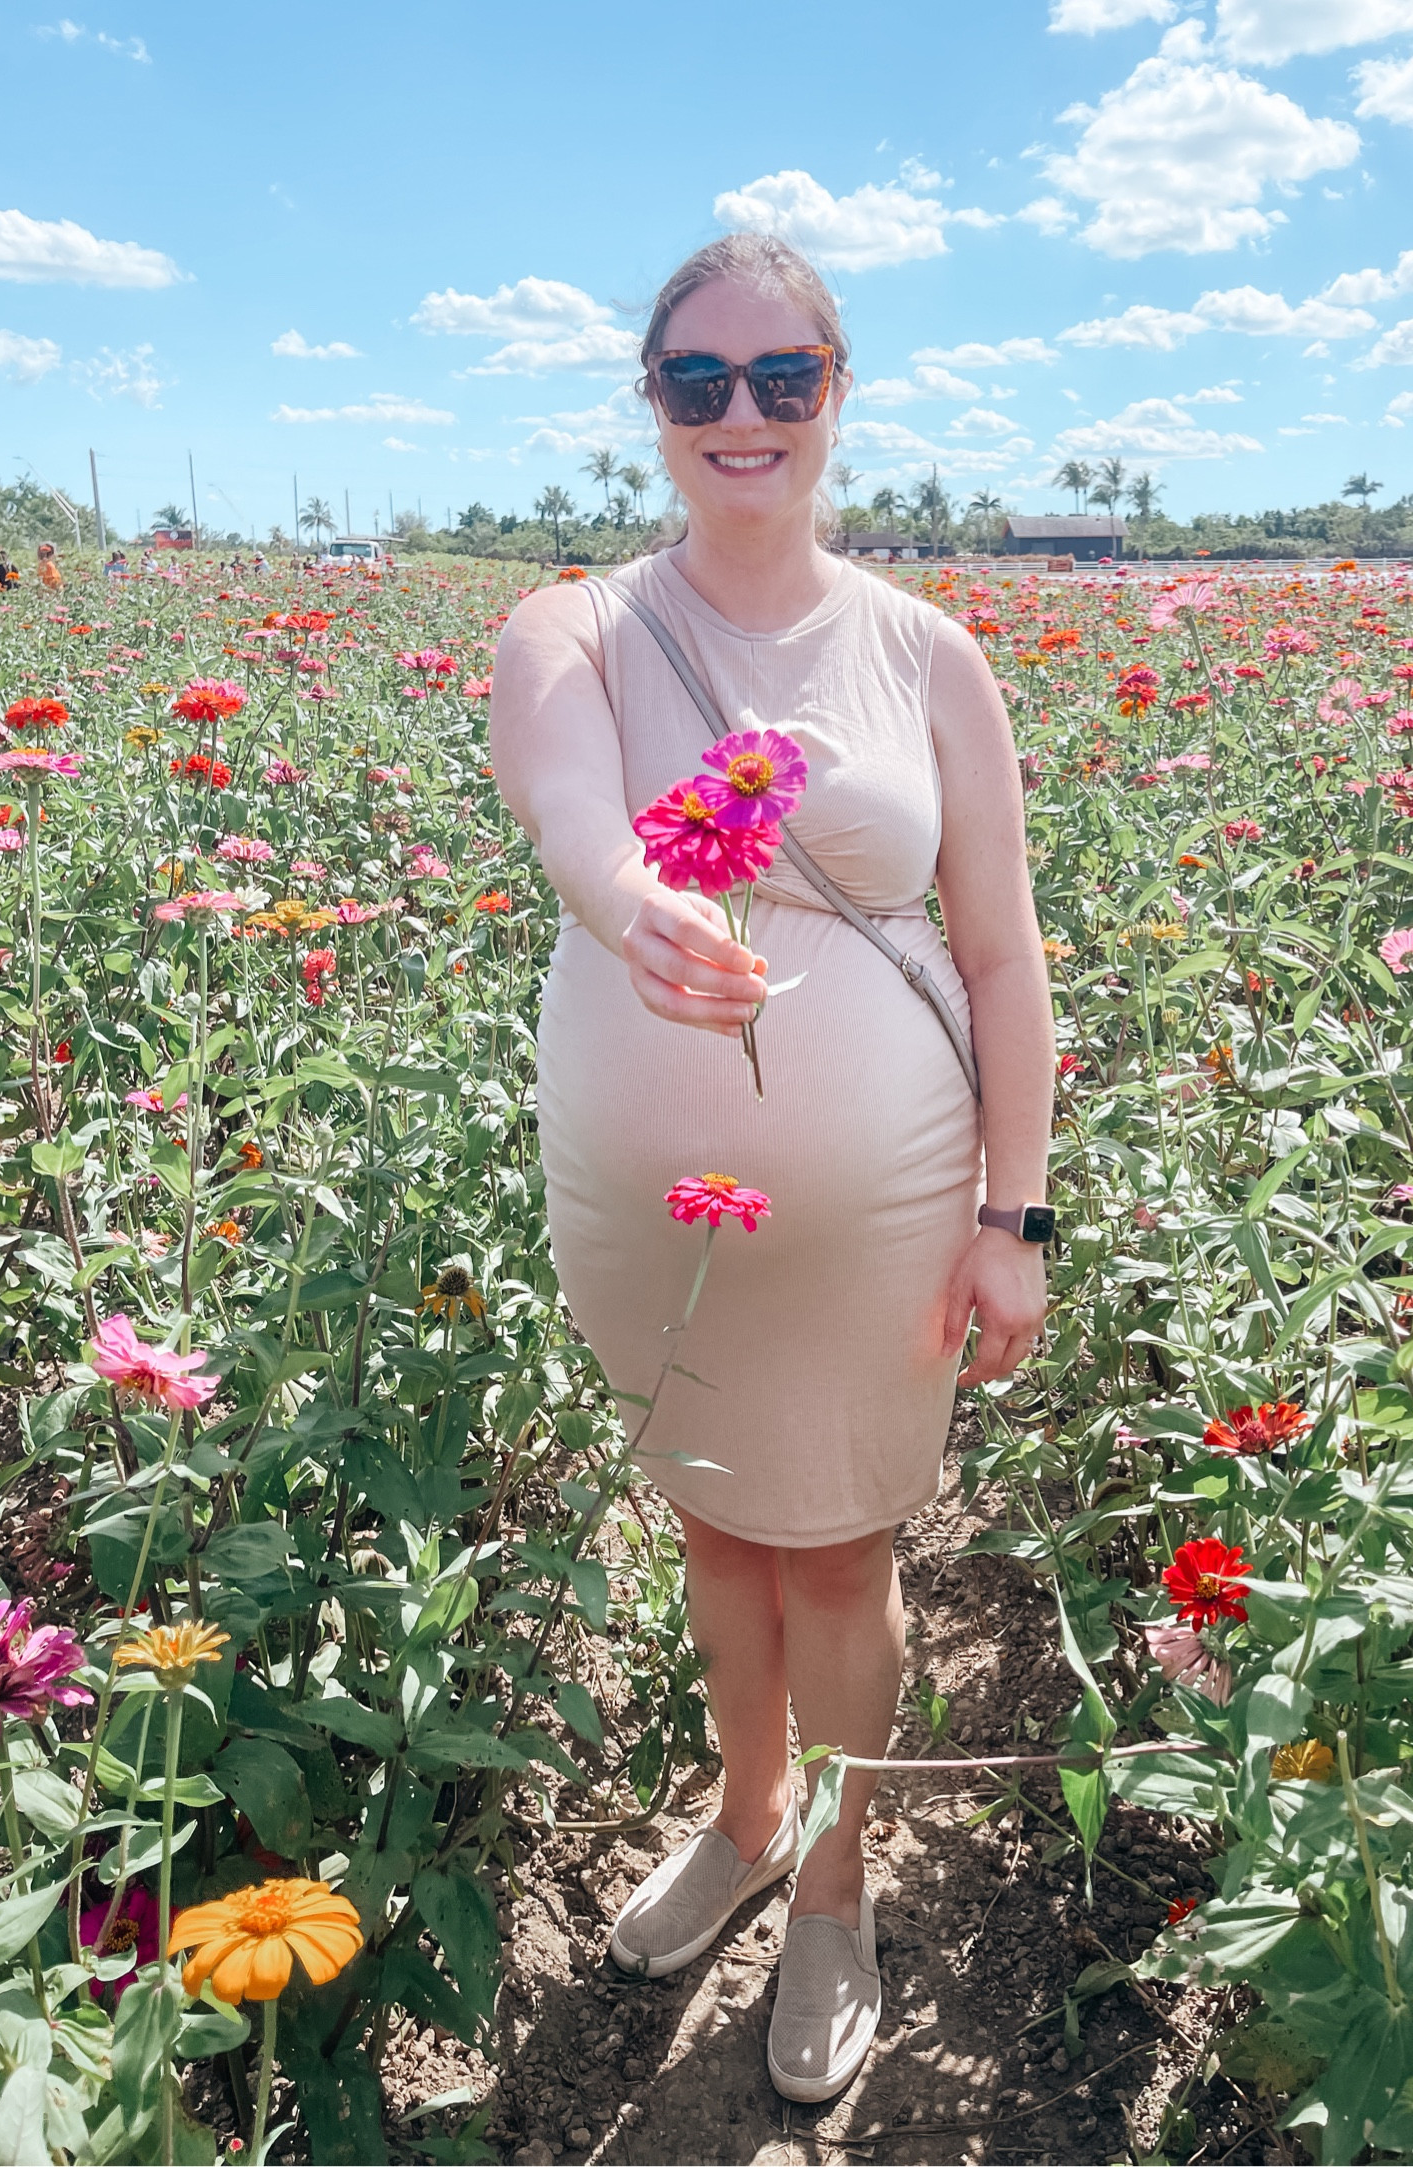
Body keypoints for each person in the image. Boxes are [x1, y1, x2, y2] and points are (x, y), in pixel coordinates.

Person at [489, 235, 1054, 2104]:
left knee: (840, 1550)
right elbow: (573, 805)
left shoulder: (924, 651)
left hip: (882, 1219)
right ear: (648, 404)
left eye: (781, 377)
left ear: (835, 391)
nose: (742, 414)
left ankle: (828, 1886)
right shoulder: (570, 624)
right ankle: (740, 1823)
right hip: (651, 1220)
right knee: (718, 1521)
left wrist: (1011, 1218)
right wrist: (640, 896)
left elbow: (998, 955)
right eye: (699, 381)